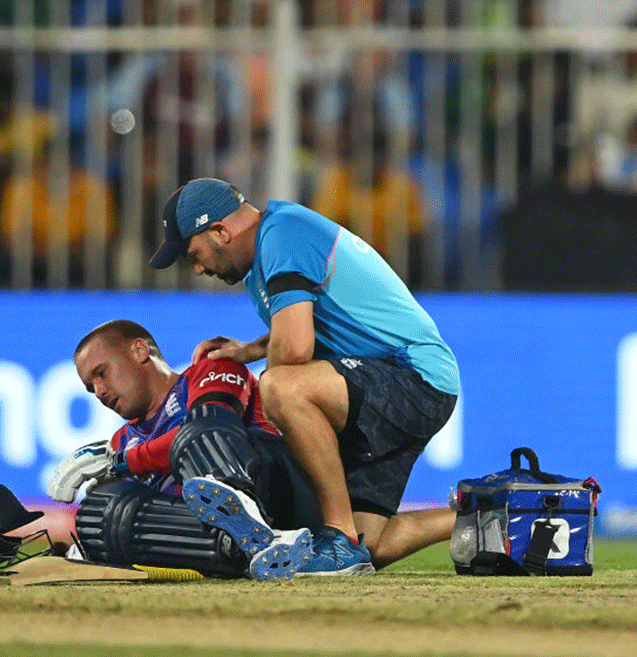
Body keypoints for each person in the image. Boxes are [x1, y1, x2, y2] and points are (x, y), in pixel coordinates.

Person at [148, 177, 459, 577]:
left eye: (193, 253)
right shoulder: (272, 242)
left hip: (414, 377)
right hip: (403, 380)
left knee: (279, 387)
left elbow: (295, 351)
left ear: (221, 231)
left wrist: (269, 417)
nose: (197, 267)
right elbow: (310, 327)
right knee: (373, 543)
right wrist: (252, 350)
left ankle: (339, 539)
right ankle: (483, 517)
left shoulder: (282, 234)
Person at [50, 318, 454, 579]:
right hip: (219, 534)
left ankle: (254, 529)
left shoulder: (209, 370)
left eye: (101, 374)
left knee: (202, 431)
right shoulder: (123, 442)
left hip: (285, 494)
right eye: (90, 387)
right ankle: (241, 548)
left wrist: (123, 463)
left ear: (139, 351)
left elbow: (211, 426)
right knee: (102, 505)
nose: (99, 392)